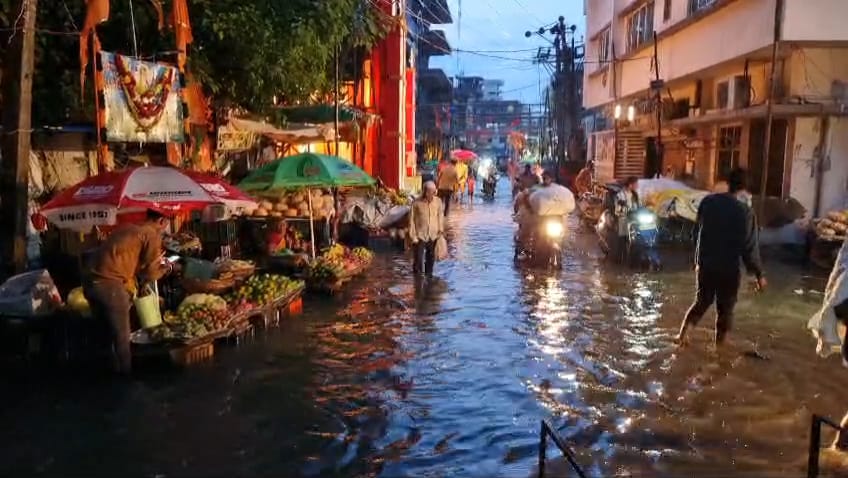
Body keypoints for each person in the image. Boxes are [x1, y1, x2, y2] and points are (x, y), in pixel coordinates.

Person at [675, 168, 767, 347]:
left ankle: (682, 336)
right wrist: (759, 275)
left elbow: (697, 233)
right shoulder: (746, 213)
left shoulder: (708, 202)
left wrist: (697, 260)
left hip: (706, 265)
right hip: (729, 269)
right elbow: (750, 248)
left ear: (729, 184)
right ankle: (720, 351)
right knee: (725, 310)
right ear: (745, 190)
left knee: (701, 302)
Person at [83, 209, 172, 374]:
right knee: (121, 335)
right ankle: (125, 379)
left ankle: (105, 375)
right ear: (161, 221)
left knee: (104, 333)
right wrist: (167, 269)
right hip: (109, 284)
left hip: (89, 283)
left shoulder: (127, 228)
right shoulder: (151, 234)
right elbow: (150, 274)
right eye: (166, 224)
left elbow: (130, 261)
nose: (165, 228)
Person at [408, 181, 445, 277]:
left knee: (431, 257)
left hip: (433, 234)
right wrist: (413, 235)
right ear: (424, 191)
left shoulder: (438, 202)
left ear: (434, 192)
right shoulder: (416, 203)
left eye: (432, 192)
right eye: (427, 191)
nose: (429, 194)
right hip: (420, 234)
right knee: (418, 258)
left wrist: (440, 229)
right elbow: (411, 220)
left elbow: (440, 216)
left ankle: (429, 276)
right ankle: (418, 278)